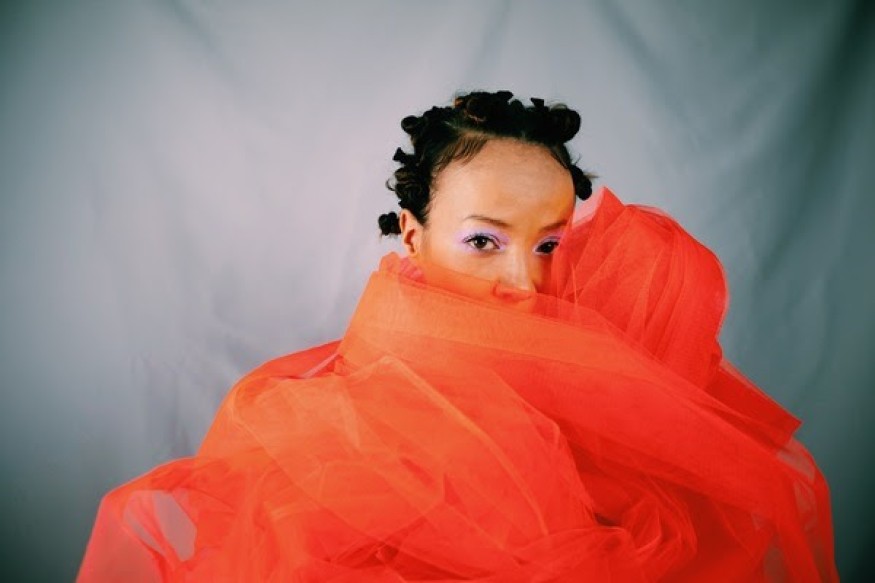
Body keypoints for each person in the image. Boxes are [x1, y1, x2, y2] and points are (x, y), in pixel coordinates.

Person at [78, 90, 838, 581]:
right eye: (483, 240)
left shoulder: (600, 369)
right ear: (411, 235)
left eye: (548, 243)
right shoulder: (326, 438)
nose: (523, 282)